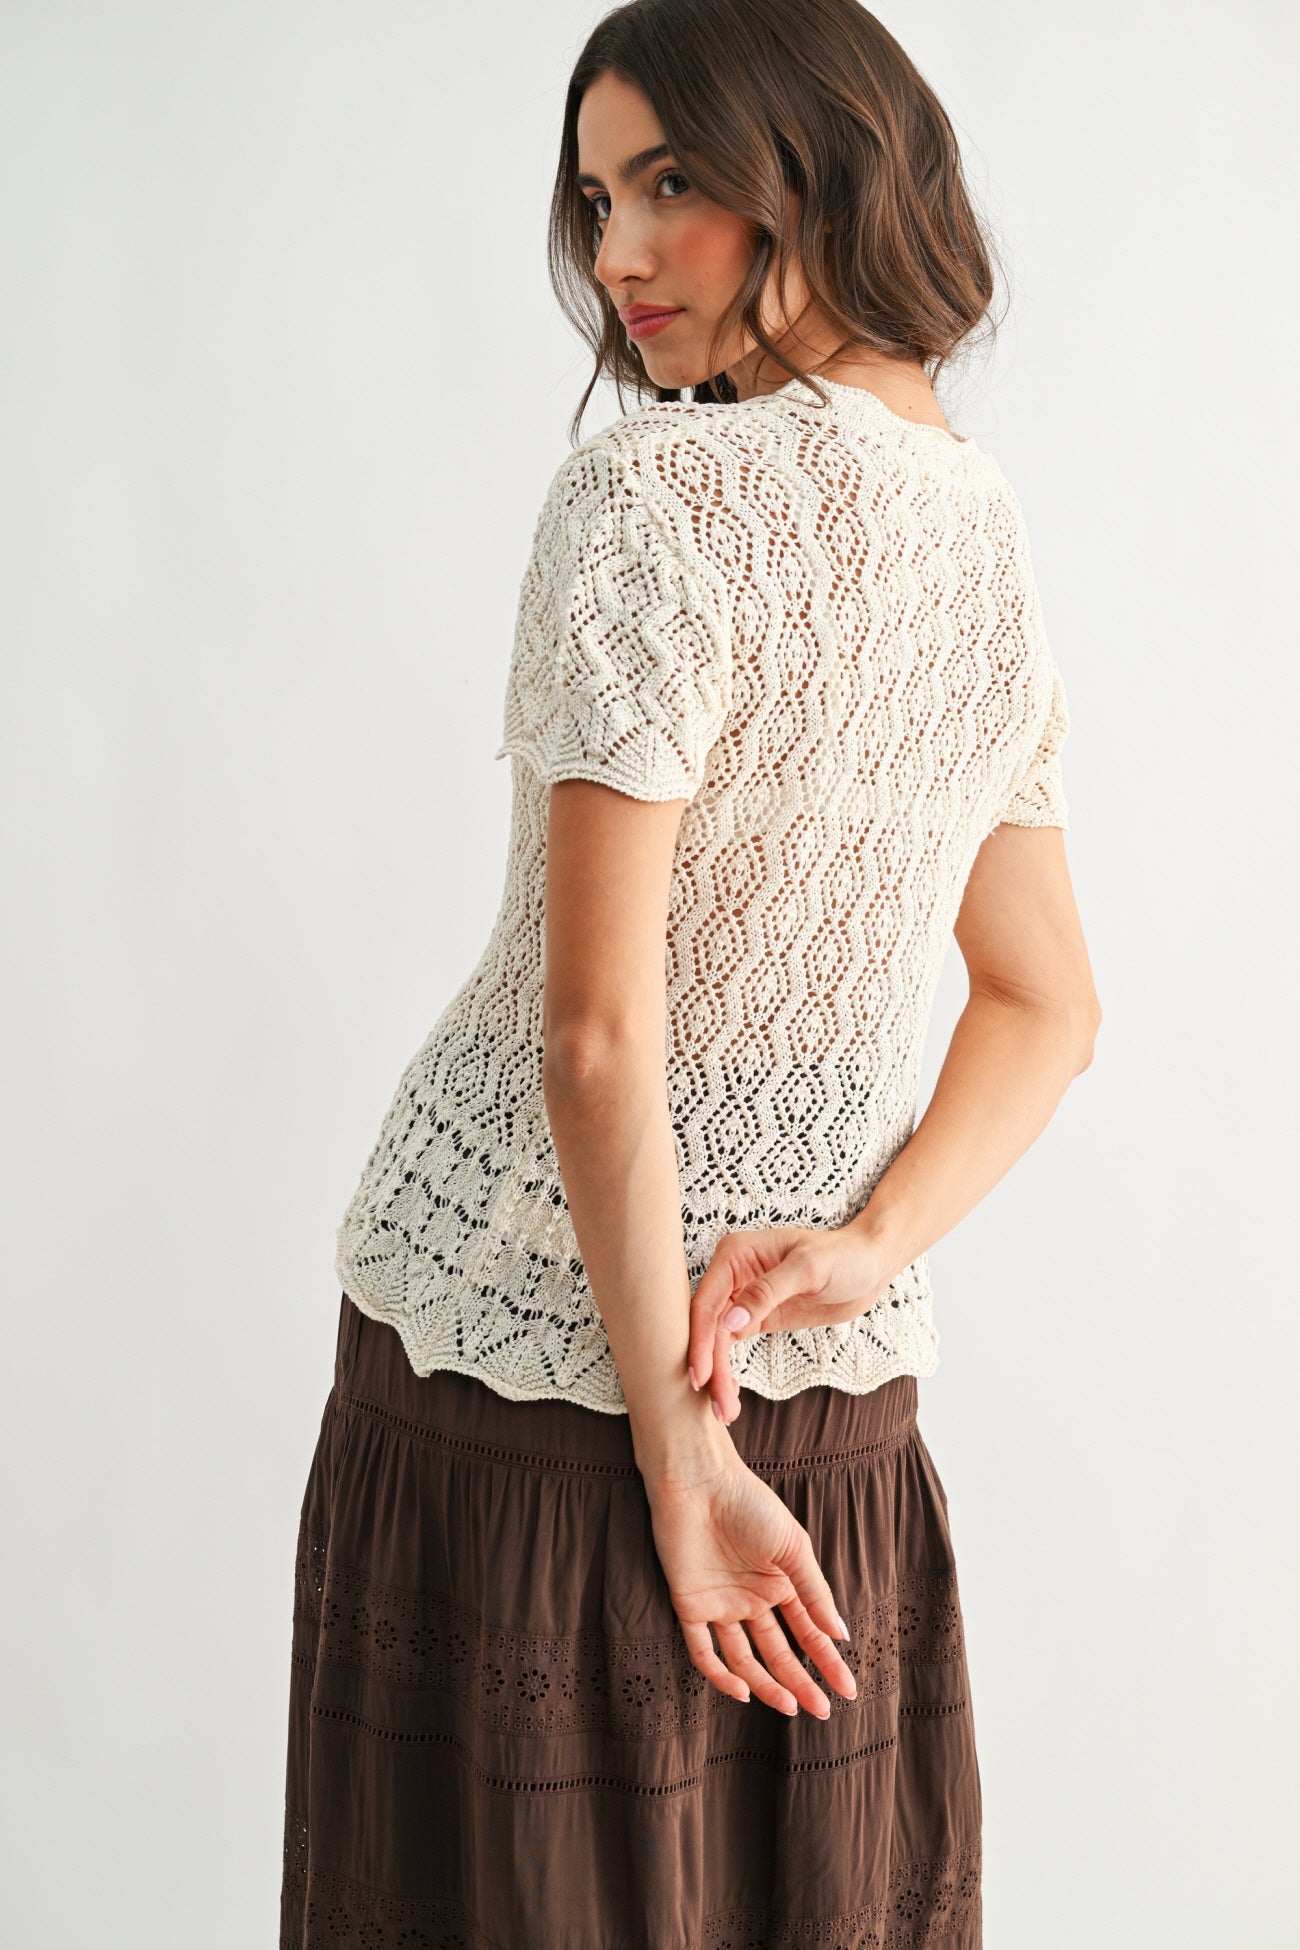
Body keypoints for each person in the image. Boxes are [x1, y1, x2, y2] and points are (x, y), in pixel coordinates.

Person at [279, 2, 1102, 1945]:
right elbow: (1048, 1003)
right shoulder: (981, 535)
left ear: (819, 168)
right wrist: (861, 1245)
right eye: (595, 201)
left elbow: (592, 1037)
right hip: (822, 1401)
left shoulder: (649, 501)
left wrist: (677, 1451)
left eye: (670, 184)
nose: (621, 254)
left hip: (536, 1390)